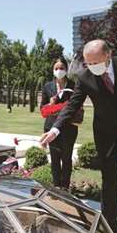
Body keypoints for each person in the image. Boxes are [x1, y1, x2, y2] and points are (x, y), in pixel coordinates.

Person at [40, 39, 117, 233]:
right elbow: (72, 104)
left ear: (108, 55)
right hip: (106, 135)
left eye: (96, 62)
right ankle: (110, 230)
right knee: (109, 182)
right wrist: (55, 129)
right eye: (87, 63)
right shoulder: (85, 77)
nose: (92, 67)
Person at [40, 59, 79, 189]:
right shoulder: (48, 86)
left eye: (61, 68)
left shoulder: (74, 85)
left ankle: (65, 188)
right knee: (55, 159)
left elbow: (76, 106)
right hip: (50, 127)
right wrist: (50, 104)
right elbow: (42, 109)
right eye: (56, 68)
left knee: (66, 158)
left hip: (69, 128)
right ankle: (56, 187)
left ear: (66, 69)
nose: (59, 71)